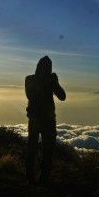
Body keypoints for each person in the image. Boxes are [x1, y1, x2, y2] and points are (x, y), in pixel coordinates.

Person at [25, 56, 66, 186]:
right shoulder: (31, 79)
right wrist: (49, 83)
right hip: (40, 120)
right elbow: (30, 95)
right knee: (38, 149)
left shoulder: (42, 80)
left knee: (44, 150)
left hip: (41, 120)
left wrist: (56, 83)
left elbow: (62, 96)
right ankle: (35, 179)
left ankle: (40, 178)